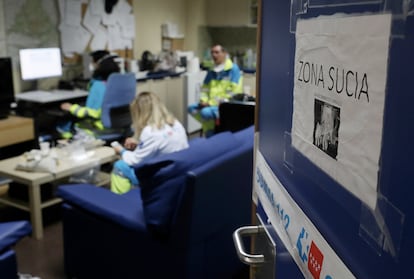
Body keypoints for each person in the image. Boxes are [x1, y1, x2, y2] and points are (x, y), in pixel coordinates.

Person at [110, 91, 189, 194]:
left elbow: (135, 161)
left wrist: (121, 150)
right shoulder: (175, 123)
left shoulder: (150, 131)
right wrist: (139, 143)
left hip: (161, 177)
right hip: (178, 171)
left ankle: (121, 202)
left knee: (120, 166)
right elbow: (163, 144)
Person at [57, 50, 120, 138]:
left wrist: (72, 107)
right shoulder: (117, 82)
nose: (91, 64)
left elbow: (92, 112)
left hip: (99, 127)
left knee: (62, 126)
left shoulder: (98, 86)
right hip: (118, 126)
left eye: (92, 62)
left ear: (98, 64)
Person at [188, 44, 243, 137]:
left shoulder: (233, 69)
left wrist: (210, 103)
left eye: (217, 52)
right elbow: (204, 89)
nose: (214, 55)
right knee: (191, 109)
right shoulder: (211, 70)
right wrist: (203, 100)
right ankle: (211, 128)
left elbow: (233, 93)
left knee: (205, 112)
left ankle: (211, 132)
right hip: (210, 104)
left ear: (224, 53)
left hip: (225, 105)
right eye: (212, 52)